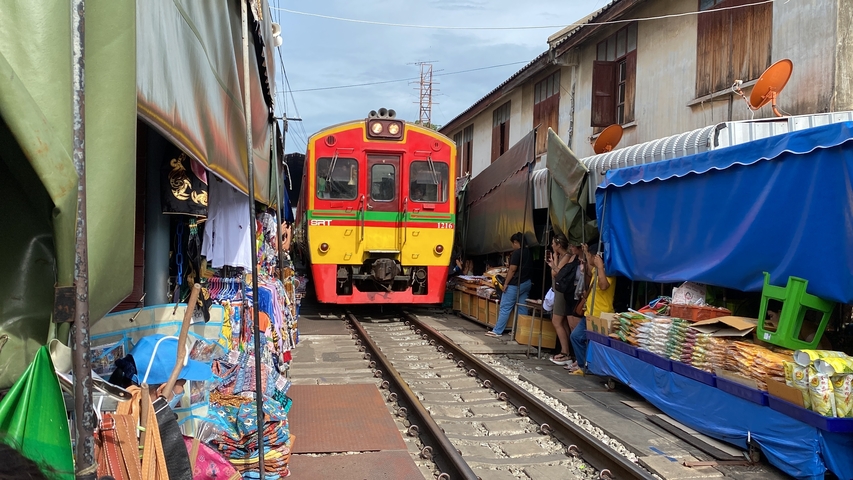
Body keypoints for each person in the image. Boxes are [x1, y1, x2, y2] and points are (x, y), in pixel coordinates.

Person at [567, 243, 615, 374]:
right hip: (590, 313)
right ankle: (584, 367)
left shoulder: (608, 271)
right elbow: (588, 269)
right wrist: (587, 253)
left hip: (601, 314)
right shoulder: (595, 269)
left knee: (596, 344)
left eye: (592, 256)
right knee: (576, 337)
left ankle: (590, 368)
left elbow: (604, 285)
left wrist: (600, 267)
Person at [127, 334, 213, 407]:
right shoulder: (143, 425)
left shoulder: (124, 411)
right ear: (161, 390)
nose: (182, 392)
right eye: (182, 384)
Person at [486, 232, 532, 337]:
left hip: (515, 284)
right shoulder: (528, 252)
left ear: (516, 242)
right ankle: (519, 332)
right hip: (527, 283)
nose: (512, 245)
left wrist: (506, 283)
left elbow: (512, 269)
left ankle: (497, 331)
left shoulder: (516, 253)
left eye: (513, 243)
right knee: (522, 307)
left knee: (505, 307)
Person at [546, 234, 576, 365]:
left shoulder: (567, 257)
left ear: (558, 245)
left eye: (553, 243)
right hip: (558, 291)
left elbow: (555, 273)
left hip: (561, 292)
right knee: (563, 323)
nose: (552, 245)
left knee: (556, 321)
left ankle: (566, 352)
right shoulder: (562, 257)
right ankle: (567, 351)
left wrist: (553, 264)